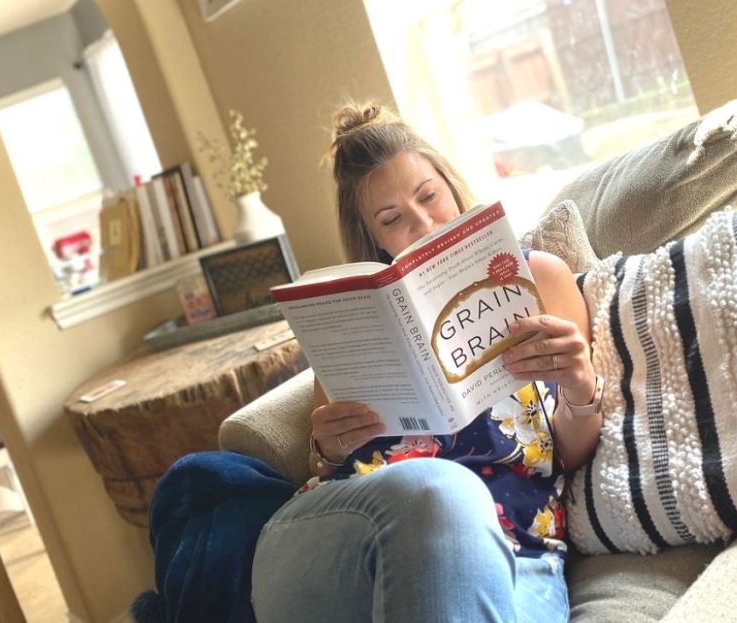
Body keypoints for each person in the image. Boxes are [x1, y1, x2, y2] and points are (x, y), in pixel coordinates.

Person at [250, 103, 604, 622]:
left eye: (429, 196)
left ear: (452, 186)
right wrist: (325, 447)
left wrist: (578, 383)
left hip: (515, 547)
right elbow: (326, 466)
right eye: (392, 219)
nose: (421, 223)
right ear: (374, 237)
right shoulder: (363, 315)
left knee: (450, 498)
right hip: (350, 534)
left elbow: (569, 454)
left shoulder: (540, 279)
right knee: (440, 490)